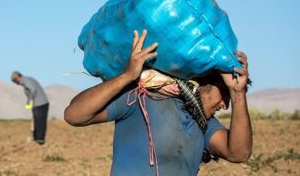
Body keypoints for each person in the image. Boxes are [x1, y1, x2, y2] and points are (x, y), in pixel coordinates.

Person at [64, 30, 252, 175]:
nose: (225, 106)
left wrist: (238, 94)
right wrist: (127, 76)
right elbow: (74, 115)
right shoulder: (141, 97)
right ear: (207, 81)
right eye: (225, 95)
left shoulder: (204, 123)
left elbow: (239, 153)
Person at [11, 71, 49, 145]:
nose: (16, 83)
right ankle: (36, 138)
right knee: (36, 121)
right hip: (37, 104)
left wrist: (29, 100)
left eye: (15, 81)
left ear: (18, 77)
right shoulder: (27, 80)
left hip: (40, 103)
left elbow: (33, 90)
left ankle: (39, 140)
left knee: (40, 122)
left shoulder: (25, 80)